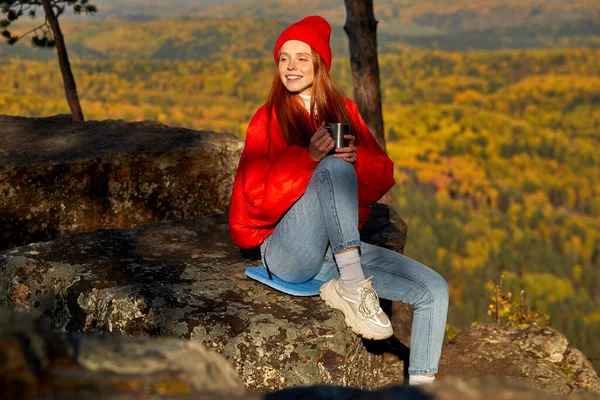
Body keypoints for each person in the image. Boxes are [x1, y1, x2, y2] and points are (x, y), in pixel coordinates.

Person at [229, 15, 448, 385]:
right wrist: (309, 161)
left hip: (334, 250)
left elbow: (383, 174)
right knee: (332, 168)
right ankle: (352, 283)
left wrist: (355, 160)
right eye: (284, 58)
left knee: (434, 290)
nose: (291, 66)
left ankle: (420, 392)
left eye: (301, 57)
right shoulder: (266, 120)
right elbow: (256, 205)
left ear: (320, 63)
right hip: (287, 252)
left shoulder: (344, 110)